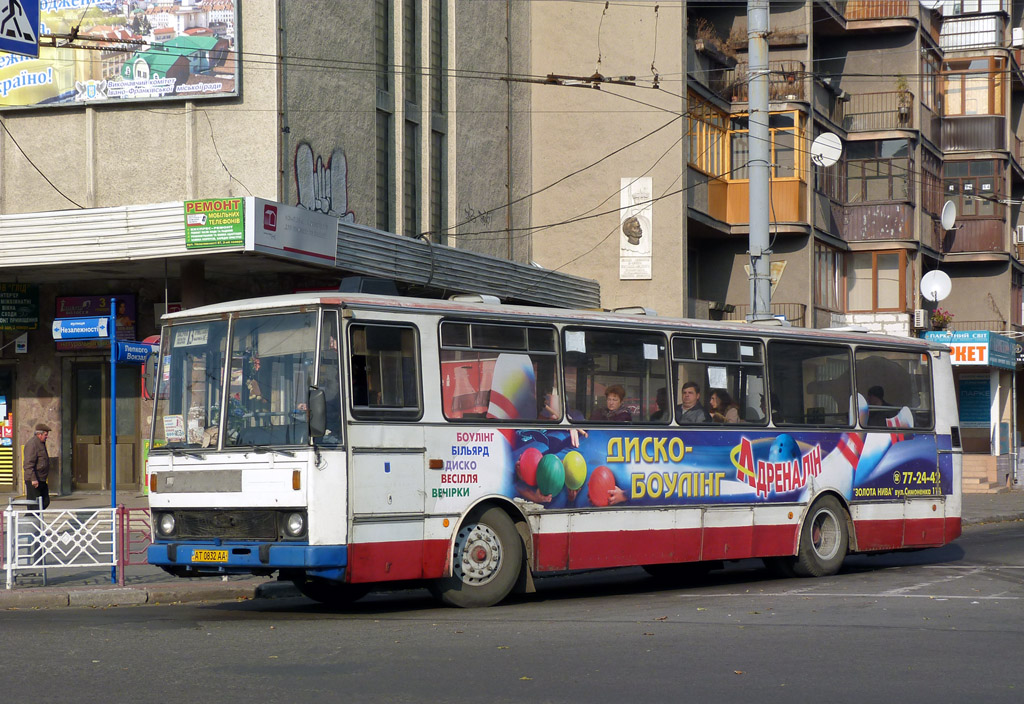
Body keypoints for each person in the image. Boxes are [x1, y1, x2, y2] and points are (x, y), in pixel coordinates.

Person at [23, 423, 51, 509]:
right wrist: (33, 479)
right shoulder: (32, 444)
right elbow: (28, 464)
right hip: (34, 480)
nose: (47, 437)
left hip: (41, 478)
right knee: (34, 506)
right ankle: (28, 521)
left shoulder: (41, 443)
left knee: (45, 501)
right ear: (39, 434)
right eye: (45, 435)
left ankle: (34, 520)